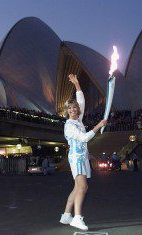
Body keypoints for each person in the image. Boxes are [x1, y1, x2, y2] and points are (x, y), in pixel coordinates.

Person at [59, 74, 107, 231]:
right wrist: (98, 126)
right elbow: (84, 138)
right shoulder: (69, 126)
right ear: (66, 111)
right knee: (83, 187)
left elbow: (81, 101)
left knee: (76, 187)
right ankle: (77, 218)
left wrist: (77, 85)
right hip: (76, 159)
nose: (73, 109)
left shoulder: (78, 121)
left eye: (75, 107)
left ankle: (67, 215)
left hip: (82, 157)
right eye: (70, 108)